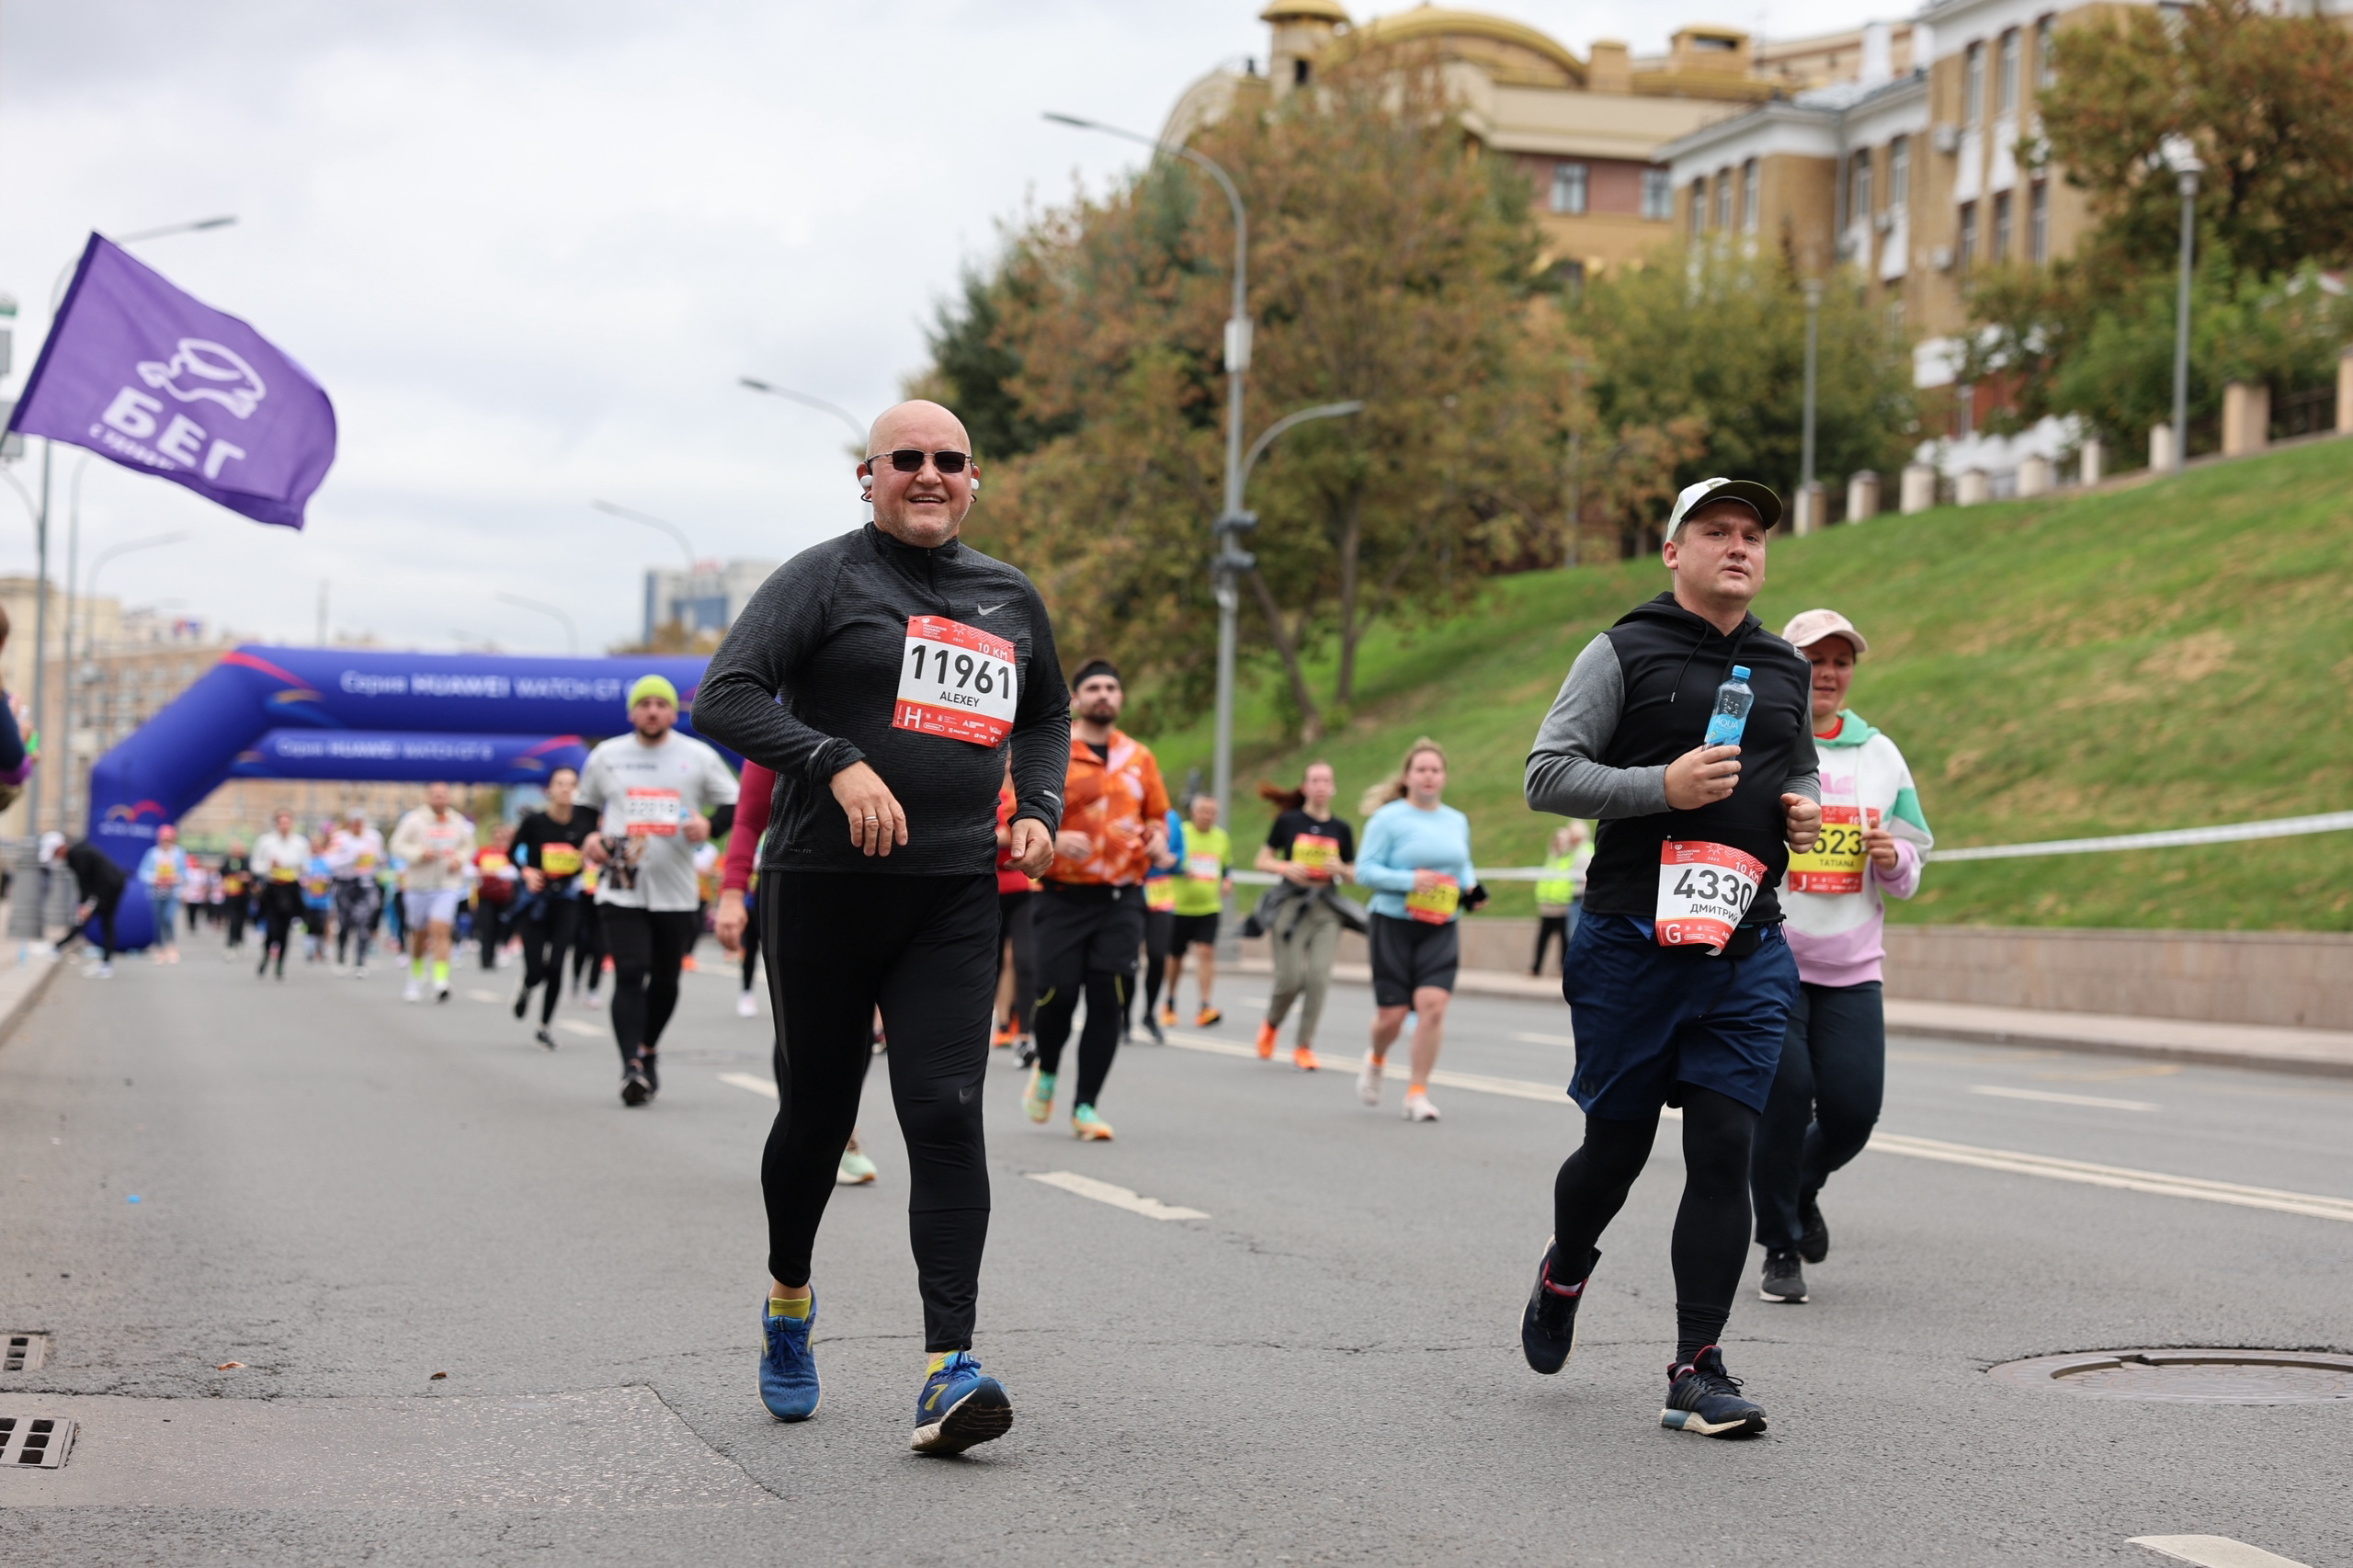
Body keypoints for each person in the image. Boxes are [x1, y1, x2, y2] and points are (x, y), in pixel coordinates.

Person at [695, 397, 1067, 1453]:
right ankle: (788, 1299)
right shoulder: (825, 577)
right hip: (820, 884)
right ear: (869, 477)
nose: (928, 474)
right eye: (905, 458)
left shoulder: (1007, 595)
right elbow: (724, 693)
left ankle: (948, 1367)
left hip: (951, 891)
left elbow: (1041, 715)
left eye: (950, 458)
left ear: (975, 476)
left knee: (946, 1110)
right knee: (816, 1116)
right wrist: (832, 757)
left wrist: (1038, 808)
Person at [1519, 476, 1822, 1440]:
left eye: (1752, 535)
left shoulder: (1781, 664)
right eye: (1716, 531)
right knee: (1616, 1146)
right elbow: (1545, 774)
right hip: (1630, 940)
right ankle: (1566, 1262)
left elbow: (1796, 756)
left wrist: (1803, 803)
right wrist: (1664, 785)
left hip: (1744, 939)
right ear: (1673, 550)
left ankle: (1695, 1365)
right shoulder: (1621, 649)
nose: (1739, 547)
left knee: (1726, 1143)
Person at [1749, 609, 1932, 1307]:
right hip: (1773, 960)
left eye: (1839, 661)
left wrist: (1895, 857)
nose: (1826, 673)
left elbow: (1913, 862)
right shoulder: (1765, 742)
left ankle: (1800, 1186)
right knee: (1786, 1100)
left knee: (1854, 1111)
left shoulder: (1879, 754)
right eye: (1812, 660)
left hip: (1853, 968)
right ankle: (1780, 1246)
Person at [577, 674, 740, 1108]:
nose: (653, 711)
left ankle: (647, 1048)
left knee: (665, 979)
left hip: (676, 889)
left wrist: (710, 826)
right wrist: (587, 839)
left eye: (661, 704)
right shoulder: (607, 756)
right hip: (621, 885)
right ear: (632, 712)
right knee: (629, 973)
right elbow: (583, 808)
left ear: (673, 712)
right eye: (644, 704)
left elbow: (735, 803)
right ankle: (631, 1064)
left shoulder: (697, 756)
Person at [1024, 659, 1167, 1142]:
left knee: (1110, 999)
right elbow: (1015, 810)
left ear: (1121, 698)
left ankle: (1086, 1106)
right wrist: (1054, 837)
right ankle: (1046, 1068)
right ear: (1077, 699)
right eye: (1093, 688)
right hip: (1061, 896)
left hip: (1121, 898)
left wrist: (1157, 841)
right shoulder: (1054, 749)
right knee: (1058, 995)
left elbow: (1160, 819)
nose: (1104, 694)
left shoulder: (1139, 757)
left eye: (1111, 687)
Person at [718, 759, 879, 1187]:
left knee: (859, 1022)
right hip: (801, 886)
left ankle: (838, 1130)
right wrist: (732, 895)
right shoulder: (779, 720)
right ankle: (807, 1130)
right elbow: (749, 820)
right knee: (804, 1024)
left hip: (885, 888)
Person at [1354, 740, 1479, 1121]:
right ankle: (1376, 1059)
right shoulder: (1388, 819)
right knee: (1392, 1017)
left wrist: (1471, 887)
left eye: (1436, 770)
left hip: (1441, 925)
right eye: (1421, 769)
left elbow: (1464, 864)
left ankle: (1417, 1092)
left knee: (1433, 1008)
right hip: (1393, 923)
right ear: (1407, 776)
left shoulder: (1455, 820)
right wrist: (1410, 880)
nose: (1429, 776)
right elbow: (1364, 871)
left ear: (1444, 777)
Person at [1253, 763, 1357, 1072]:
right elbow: (1263, 860)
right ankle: (1271, 1025)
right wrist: (1285, 868)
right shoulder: (1289, 821)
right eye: (1315, 780)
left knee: (1318, 977)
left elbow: (1353, 873)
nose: (1321, 785)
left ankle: (1304, 1046)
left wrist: (1341, 869)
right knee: (1289, 980)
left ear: (1334, 787)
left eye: (1327, 780)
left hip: (1326, 908)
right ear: (1305, 787)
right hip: (1291, 905)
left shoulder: (1342, 829)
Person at [511, 765, 597, 1048]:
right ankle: (526, 987)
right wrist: (527, 872)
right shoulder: (535, 822)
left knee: (558, 964)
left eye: (571, 784)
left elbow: (596, 849)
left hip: (567, 900)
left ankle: (545, 1025)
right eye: (560, 783)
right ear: (550, 789)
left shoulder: (585, 823)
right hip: (537, 899)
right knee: (537, 969)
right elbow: (513, 853)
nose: (565, 789)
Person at [389, 783, 474, 1003]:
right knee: (419, 934)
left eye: (444, 795)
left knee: (441, 928)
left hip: (447, 884)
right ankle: (415, 978)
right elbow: (396, 845)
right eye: (436, 795)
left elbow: (468, 846)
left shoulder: (457, 821)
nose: (440, 798)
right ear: (429, 797)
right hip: (418, 885)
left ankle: (440, 981)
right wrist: (418, 853)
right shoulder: (414, 820)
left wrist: (459, 859)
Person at [1160, 793, 1230, 1028]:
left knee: (1206, 952)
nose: (1207, 816)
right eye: (1203, 811)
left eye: (1212, 812)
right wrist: (1181, 870)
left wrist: (1227, 880)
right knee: (1175, 957)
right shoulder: (1182, 832)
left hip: (1209, 907)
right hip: (1179, 907)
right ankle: (1169, 1002)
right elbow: (1166, 861)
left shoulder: (1221, 838)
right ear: (1193, 812)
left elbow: (1225, 867)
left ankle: (1205, 1005)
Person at [990, 758, 1039, 1054]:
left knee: (1024, 961)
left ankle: (1025, 1033)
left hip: (1024, 889)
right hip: (991, 891)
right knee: (991, 964)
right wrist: (1008, 837)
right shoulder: (991, 793)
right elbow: (982, 833)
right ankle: (999, 1024)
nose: (1011, 767)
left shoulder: (1028, 795)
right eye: (1007, 762)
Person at [1135, 804, 1184, 1043]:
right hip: (1131, 890)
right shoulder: (1127, 807)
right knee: (1127, 960)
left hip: (1160, 894)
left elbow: (1180, 856)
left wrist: (1171, 860)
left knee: (1157, 955)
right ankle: (1122, 1017)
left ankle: (1149, 1014)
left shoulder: (1172, 818)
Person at [250, 810, 312, 982]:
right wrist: (269, 866)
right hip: (272, 889)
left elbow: (307, 866)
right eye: (281, 822)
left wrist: (295, 867)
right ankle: (266, 955)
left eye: (287, 822)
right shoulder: (266, 842)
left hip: (290, 889)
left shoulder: (300, 843)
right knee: (272, 928)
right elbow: (255, 865)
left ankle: (280, 966)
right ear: (276, 824)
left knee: (285, 930)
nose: (284, 826)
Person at [53, 836, 127, 976]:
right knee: (103, 922)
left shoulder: (76, 855)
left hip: (108, 888)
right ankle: (106, 963)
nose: (56, 858)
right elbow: (86, 881)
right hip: (110, 886)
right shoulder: (77, 853)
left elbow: (85, 881)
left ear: (61, 847)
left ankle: (58, 946)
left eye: (55, 853)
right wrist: (85, 903)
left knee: (89, 920)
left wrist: (87, 904)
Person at [327, 810, 387, 976]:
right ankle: (341, 955)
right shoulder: (340, 838)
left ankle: (360, 961)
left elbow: (382, 859)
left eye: (361, 822)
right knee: (345, 922)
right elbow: (330, 863)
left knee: (364, 922)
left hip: (367, 883)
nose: (358, 825)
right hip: (345, 884)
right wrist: (353, 858)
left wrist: (377, 859)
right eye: (355, 822)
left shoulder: (374, 837)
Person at [1530, 821, 1594, 976]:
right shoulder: (1564, 855)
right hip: (1553, 903)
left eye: (1570, 834)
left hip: (1571, 901)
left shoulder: (1580, 853)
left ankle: (1572, 970)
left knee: (1571, 938)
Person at [136, 824, 189, 964]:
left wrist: (175, 878)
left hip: (173, 892)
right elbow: (142, 873)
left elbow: (185, 874)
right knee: (158, 921)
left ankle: (171, 946)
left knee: (168, 918)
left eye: (169, 840)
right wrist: (155, 878)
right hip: (155, 892)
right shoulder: (152, 854)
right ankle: (160, 948)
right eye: (164, 839)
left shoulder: (179, 854)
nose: (166, 842)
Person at [472, 824, 520, 971]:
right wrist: (480, 871)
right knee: (487, 927)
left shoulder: (510, 853)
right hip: (486, 895)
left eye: (502, 835)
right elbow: (471, 868)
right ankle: (486, 959)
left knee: (503, 927)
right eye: (496, 835)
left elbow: (517, 871)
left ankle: (501, 950)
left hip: (506, 896)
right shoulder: (483, 852)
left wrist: (497, 872)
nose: (498, 838)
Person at [218, 842, 253, 956]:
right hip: (231, 895)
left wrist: (246, 877)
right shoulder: (228, 860)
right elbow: (222, 873)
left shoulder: (247, 860)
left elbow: (252, 875)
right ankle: (230, 943)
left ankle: (240, 940)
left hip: (243, 896)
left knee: (242, 920)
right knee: (233, 920)